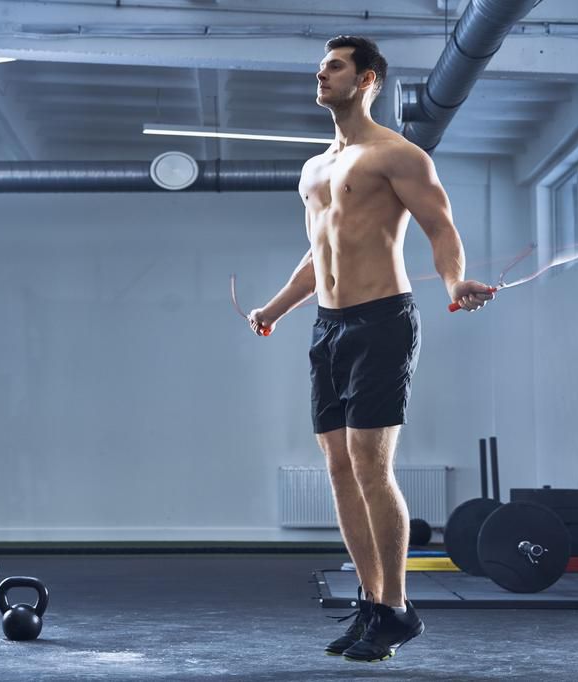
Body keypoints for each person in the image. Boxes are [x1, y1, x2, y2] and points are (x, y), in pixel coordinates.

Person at [246, 35, 495, 662]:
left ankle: (395, 608)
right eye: (320, 67)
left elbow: (441, 227)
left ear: (367, 81)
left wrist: (454, 281)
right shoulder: (314, 168)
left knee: (369, 465)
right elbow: (318, 254)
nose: (322, 76)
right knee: (338, 469)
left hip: (383, 320)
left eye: (334, 67)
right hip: (327, 328)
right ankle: (372, 600)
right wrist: (274, 309)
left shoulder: (398, 155)